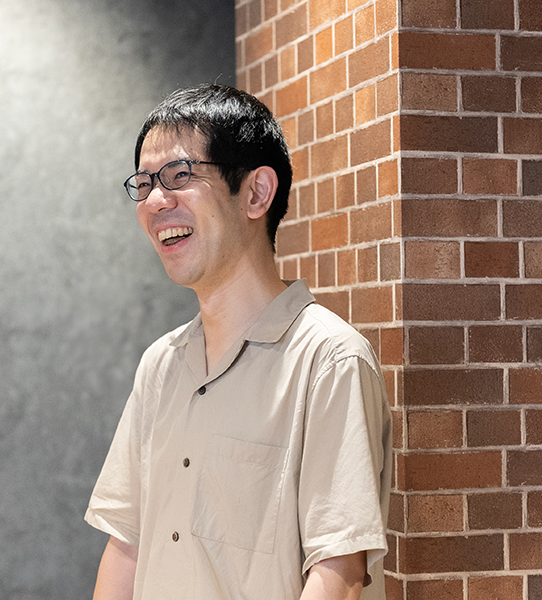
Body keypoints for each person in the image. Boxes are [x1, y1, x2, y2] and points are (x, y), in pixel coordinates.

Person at [85, 83, 392, 600]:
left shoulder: (329, 360)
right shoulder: (161, 364)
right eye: (145, 183)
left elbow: (337, 572)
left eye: (180, 175)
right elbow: (127, 547)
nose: (156, 201)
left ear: (256, 193)